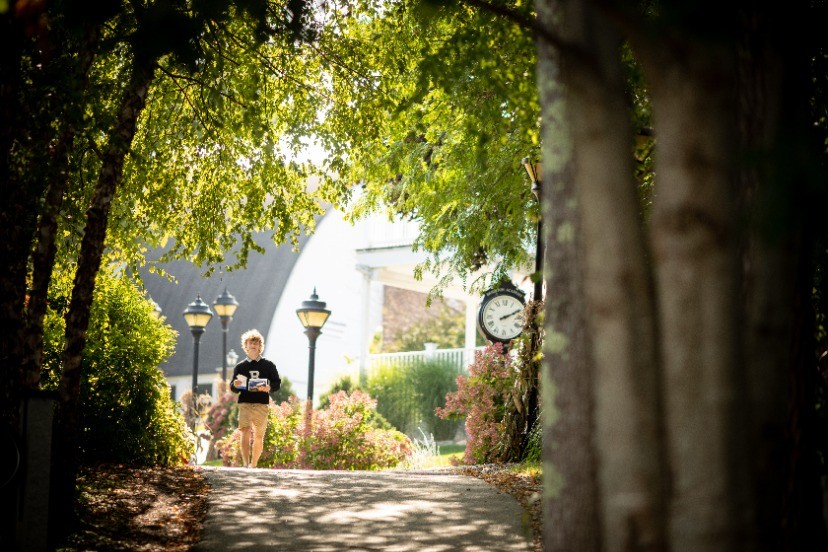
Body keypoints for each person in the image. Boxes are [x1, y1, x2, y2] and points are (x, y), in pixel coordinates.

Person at [230, 329, 281, 468]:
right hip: (244, 404)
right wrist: (235, 384)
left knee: (259, 435)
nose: (253, 345)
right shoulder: (240, 367)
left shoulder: (269, 365)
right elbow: (233, 387)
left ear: (260, 346)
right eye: (250, 343)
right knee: (245, 431)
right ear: (245, 346)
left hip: (261, 404)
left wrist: (269, 387)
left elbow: (277, 383)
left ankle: (253, 464)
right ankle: (246, 463)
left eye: (256, 343)